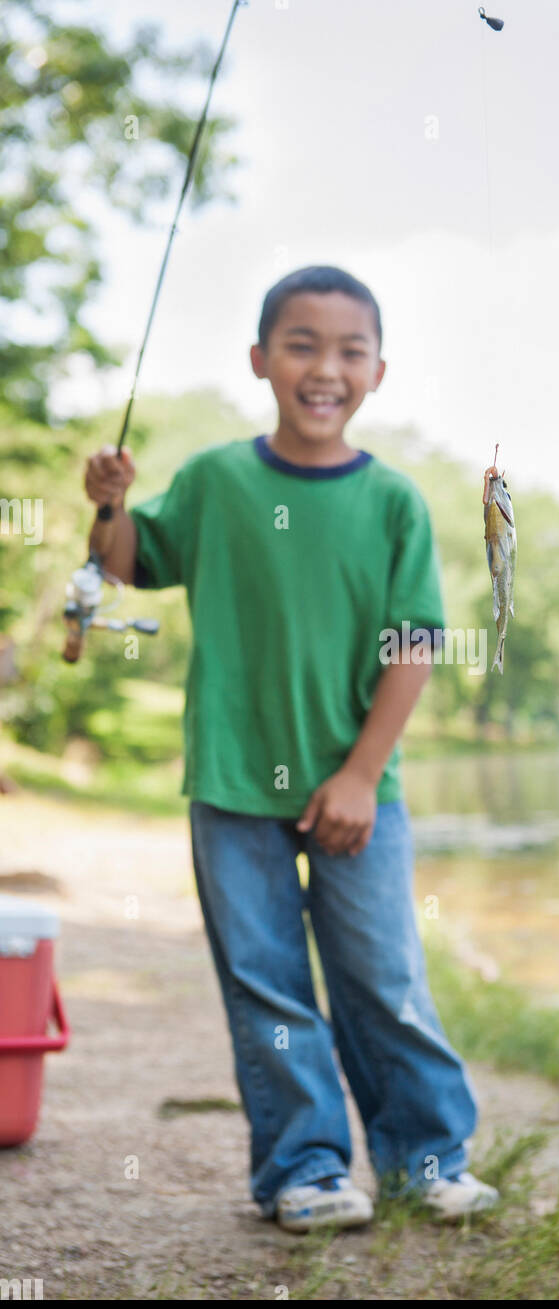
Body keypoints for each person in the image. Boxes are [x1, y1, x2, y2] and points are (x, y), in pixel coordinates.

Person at [83, 264, 498, 1232]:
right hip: (234, 782)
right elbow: (130, 561)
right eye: (301, 344)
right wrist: (106, 503)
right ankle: (303, 1168)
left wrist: (359, 773)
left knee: (383, 978)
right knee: (266, 983)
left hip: (359, 787)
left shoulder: (393, 500)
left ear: (378, 372)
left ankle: (424, 1157)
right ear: (260, 360)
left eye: (349, 350)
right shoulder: (218, 480)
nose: (324, 368)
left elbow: (413, 644)